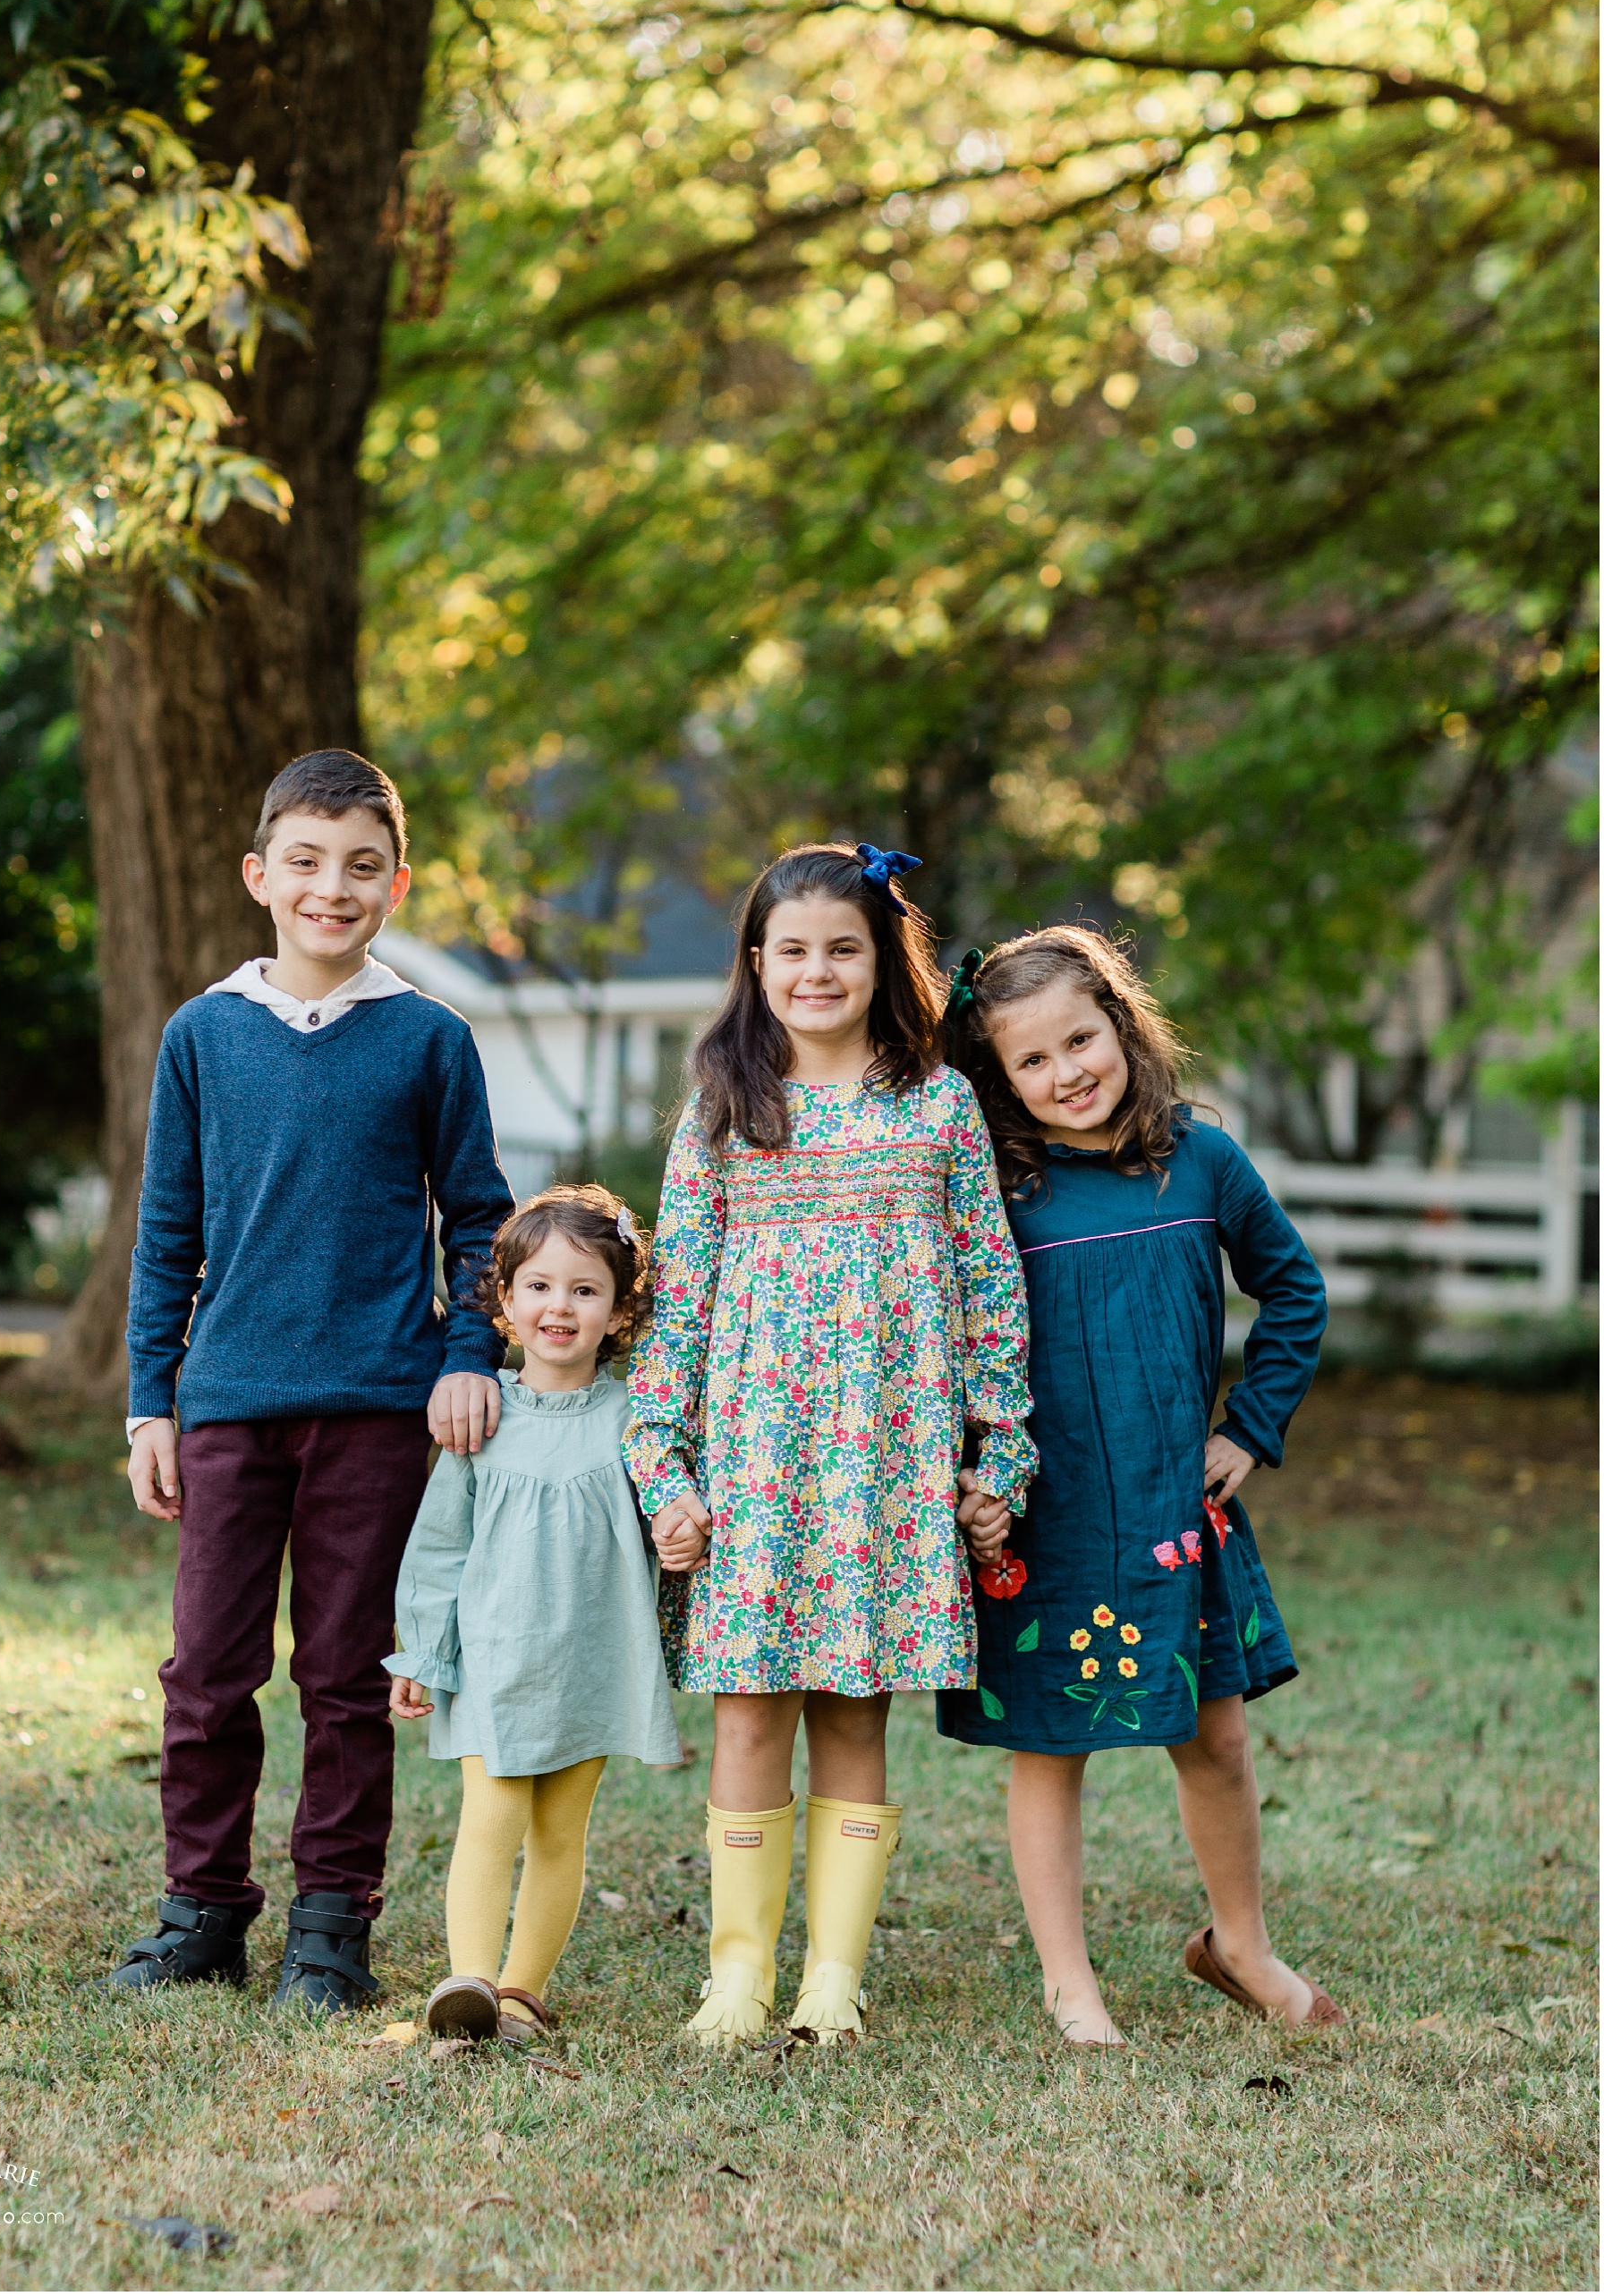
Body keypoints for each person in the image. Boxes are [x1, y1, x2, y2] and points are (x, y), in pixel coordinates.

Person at [104, 749, 513, 2013]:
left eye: (361, 866)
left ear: (397, 883)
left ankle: (332, 1931)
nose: (331, 888)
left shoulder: (431, 1039)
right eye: (306, 862)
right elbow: (168, 1226)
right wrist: (149, 1399)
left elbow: (480, 1224)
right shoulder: (202, 1036)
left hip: (381, 1411)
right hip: (228, 1402)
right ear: (259, 875)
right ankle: (203, 1915)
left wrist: (463, 1360)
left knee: (347, 1679)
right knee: (206, 1674)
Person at [624, 841, 1037, 2046]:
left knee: (856, 1710)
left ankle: (831, 1980)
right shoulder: (724, 1114)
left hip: (888, 1467)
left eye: (843, 949)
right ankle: (738, 1976)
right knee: (749, 1710)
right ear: (757, 965)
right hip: (757, 1463)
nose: (817, 971)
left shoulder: (939, 1107)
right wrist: (667, 1466)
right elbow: (679, 1309)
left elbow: (988, 1290)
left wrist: (997, 1455)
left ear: (882, 960)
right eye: (792, 951)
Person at [942, 927, 1344, 2046]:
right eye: (1031, 1059)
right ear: (997, 1077)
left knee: (1214, 1736)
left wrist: (1250, 1429)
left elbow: (1293, 1290)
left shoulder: (1200, 1159)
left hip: (1176, 1505)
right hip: (1043, 1513)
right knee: (1049, 1743)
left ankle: (1240, 1946)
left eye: (1082, 1037)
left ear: (1121, 1024)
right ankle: (1069, 1984)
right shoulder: (993, 1191)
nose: (1066, 1070)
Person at [387, 1186, 681, 2044]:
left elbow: (667, 1523)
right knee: (492, 1812)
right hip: (496, 1657)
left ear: (619, 1308)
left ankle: (521, 1993)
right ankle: (469, 1981)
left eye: (585, 1289)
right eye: (541, 1287)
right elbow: (439, 1549)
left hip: (593, 1655)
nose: (561, 1305)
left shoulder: (635, 1421)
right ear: (506, 1302)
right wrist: (421, 1655)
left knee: (560, 1828)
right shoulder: (486, 1413)